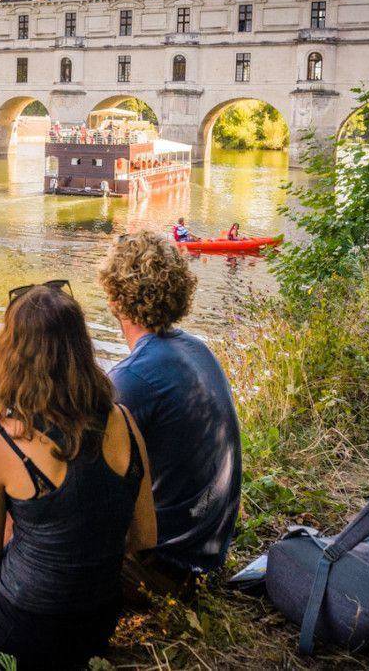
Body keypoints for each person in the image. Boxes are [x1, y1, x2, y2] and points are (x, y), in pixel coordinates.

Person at [0, 283, 157, 669]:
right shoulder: (124, 421)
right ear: (80, 351)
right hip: (96, 621)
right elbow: (144, 537)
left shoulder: (2, 441)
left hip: (27, 625)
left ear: (14, 354)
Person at [99, 231, 243, 598]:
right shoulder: (198, 350)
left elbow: (87, 492)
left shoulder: (131, 380)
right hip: (208, 550)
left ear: (116, 299)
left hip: (167, 568)